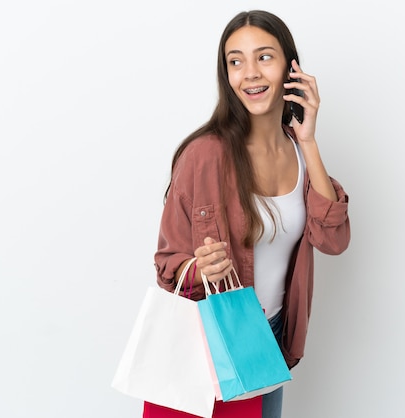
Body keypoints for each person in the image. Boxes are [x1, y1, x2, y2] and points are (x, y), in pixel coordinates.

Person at [154, 9, 350, 418]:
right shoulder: (202, 155)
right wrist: (199, 268)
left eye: (264, 57)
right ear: (226, 75)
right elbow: (166, 266)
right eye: (235, 61)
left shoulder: (300, 151)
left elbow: (333, 240)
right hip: (213, 345)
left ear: (290, 68)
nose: (250, 74)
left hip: (271, 343)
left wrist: (309, 139)